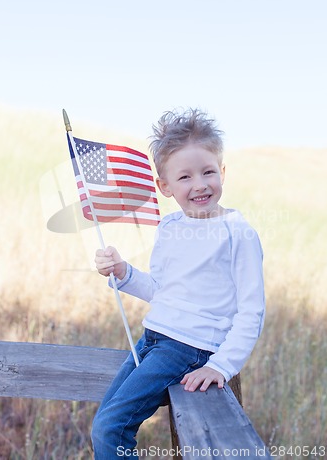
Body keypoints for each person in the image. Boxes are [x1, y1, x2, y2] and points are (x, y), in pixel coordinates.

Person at [91, 108, 265, 459]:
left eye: (208, 172)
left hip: (188, 349)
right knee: (103, 424)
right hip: (152, 340)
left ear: (223, 172)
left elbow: (252, 311)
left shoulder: (237, 233)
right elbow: (163, 292)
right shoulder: (170, 228)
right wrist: (124, 273)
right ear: (165, 186)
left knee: (111, 428)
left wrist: (221, 365)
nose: (199, 184)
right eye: (184, 177)